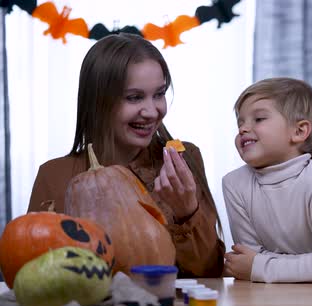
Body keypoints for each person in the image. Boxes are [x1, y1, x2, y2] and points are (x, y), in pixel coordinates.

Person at [27, 33, 225, 277]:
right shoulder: (54, 176)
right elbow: (35, 273)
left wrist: (187, 212)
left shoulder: (184, 158)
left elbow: (211, 274)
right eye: (134, 97)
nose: (153, 111)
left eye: (159, 94)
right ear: (98, 102)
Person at [222, 77, 312, 283]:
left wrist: (260, 266)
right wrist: (311, 265)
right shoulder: (234, 184)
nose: (242, 129)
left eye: (259, 119)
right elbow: (248, 259)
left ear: (299, 131)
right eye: (240, 122)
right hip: (263, 297)